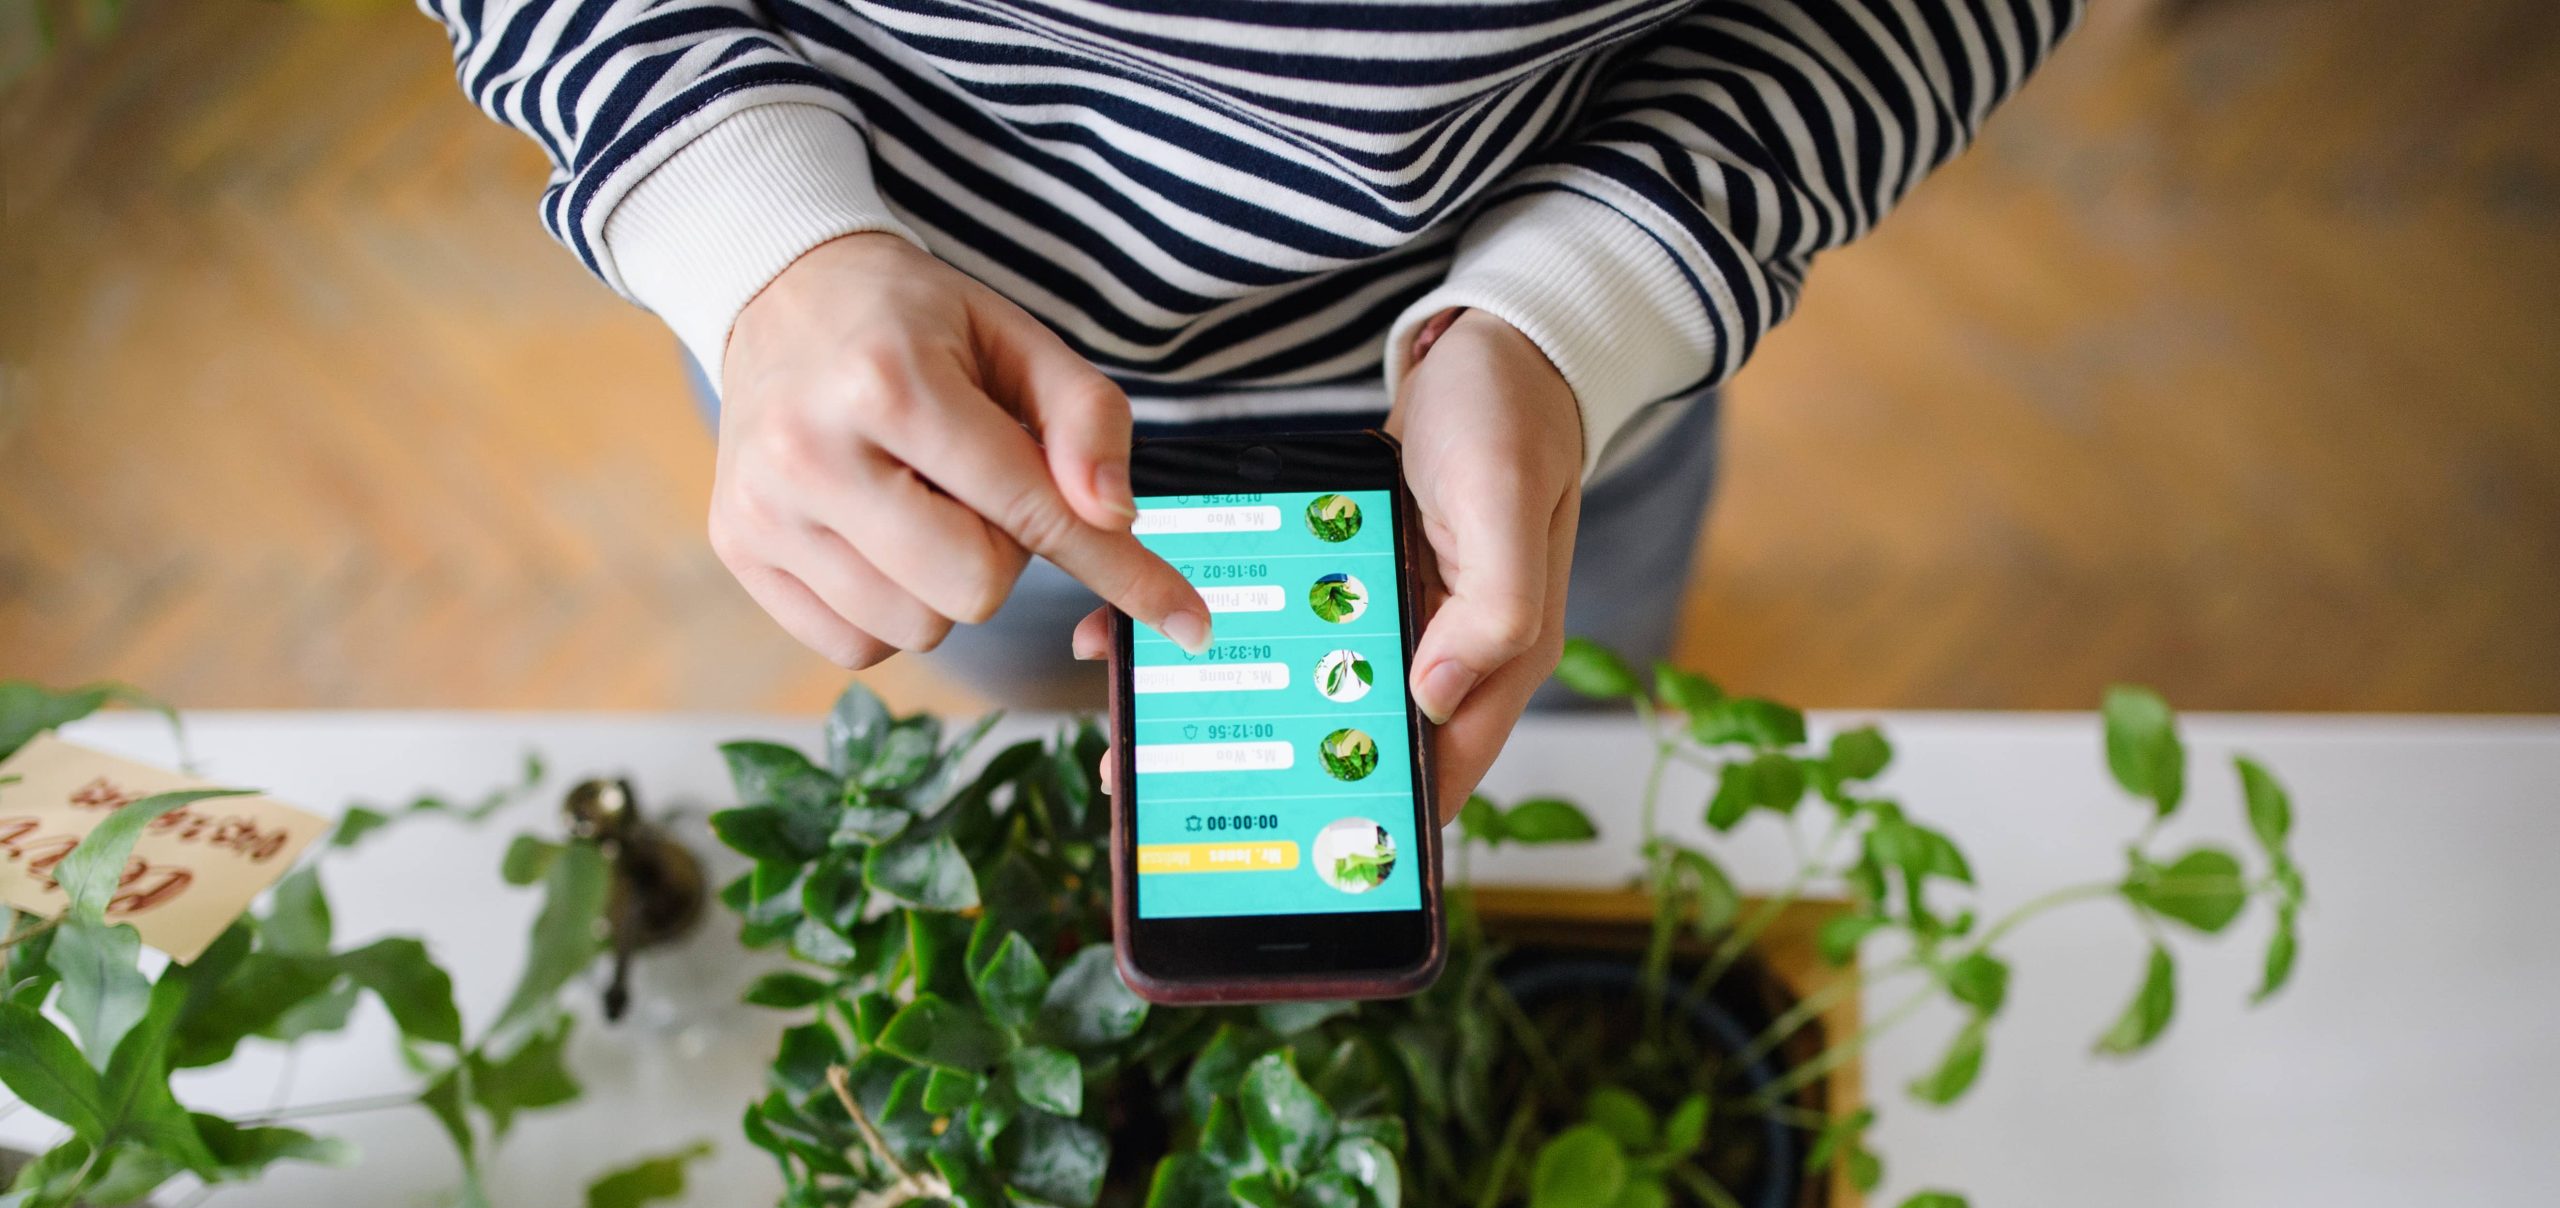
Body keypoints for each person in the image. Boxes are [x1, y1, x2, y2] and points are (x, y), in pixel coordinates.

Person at [423, 0, 2079, 812]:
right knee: (1035, 680)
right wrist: (759, 241)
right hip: (927, 416)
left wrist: (1586, 312)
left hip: (1550, 427)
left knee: (1557, 732)